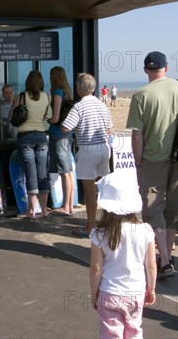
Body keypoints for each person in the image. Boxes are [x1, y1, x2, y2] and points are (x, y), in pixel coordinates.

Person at [126, 51, 178, 279]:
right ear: (166, 67)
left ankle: (163, 261)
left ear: (146, 69)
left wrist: (137, 161)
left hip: (153, 158)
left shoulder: (141, 95)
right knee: (173, 205)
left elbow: (137, 135)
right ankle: (169, 252)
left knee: (153, 208)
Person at [90, 173, 156, 339]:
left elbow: (96, 268)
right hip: (136, 292)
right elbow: (151, 265)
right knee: (134, 330)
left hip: (109, 292)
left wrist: (94, 294)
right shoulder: (146, 230)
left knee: (111, 334)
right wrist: (151, 288)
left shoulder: (99, 234)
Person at [62, 73, 112, 237]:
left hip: (88, 149)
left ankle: (91, 226)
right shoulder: (102, 105)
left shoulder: (79, 107)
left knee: (90, 191)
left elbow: (66, 128)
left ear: (79, 88)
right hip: (104, 148)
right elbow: (109, 129)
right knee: (104, 189)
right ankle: (107, 223)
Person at [14, 70, 51, 218]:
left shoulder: (21, 97)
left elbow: (13, 116)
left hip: (25, 137)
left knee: (30, 174)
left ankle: (31, 210)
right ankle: (44, 210)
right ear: (41, 82)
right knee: (42, 173)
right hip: (42, 136)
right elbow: (48, 117)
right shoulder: (46, 97)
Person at [47, 66, 75, 215]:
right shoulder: (67, 92)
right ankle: (69, 205)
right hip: (67, 133)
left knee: (64, 171)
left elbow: (55, 118)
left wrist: (46, 119)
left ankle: (65, 206)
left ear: (55, 77)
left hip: (58, 134)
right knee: (69, 171)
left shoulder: (58, 92)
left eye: (50, 75)